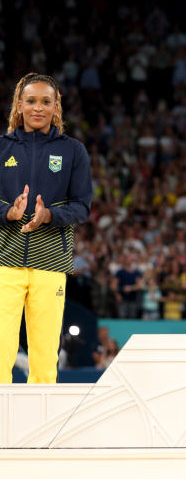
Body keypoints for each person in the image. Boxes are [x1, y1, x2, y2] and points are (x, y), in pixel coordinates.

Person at [0, 73, 92, 383]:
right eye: (31, 101)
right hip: (4, 260)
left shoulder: (73, 151)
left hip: (51, 262)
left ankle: (38, 427)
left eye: (45, 101)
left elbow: (82, 206)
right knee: (0, 352)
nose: (38, 108)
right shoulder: (2, 148)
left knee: (44, 357)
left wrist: (49, 216)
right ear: (19, 104)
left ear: (56, 106)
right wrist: (9, 212)